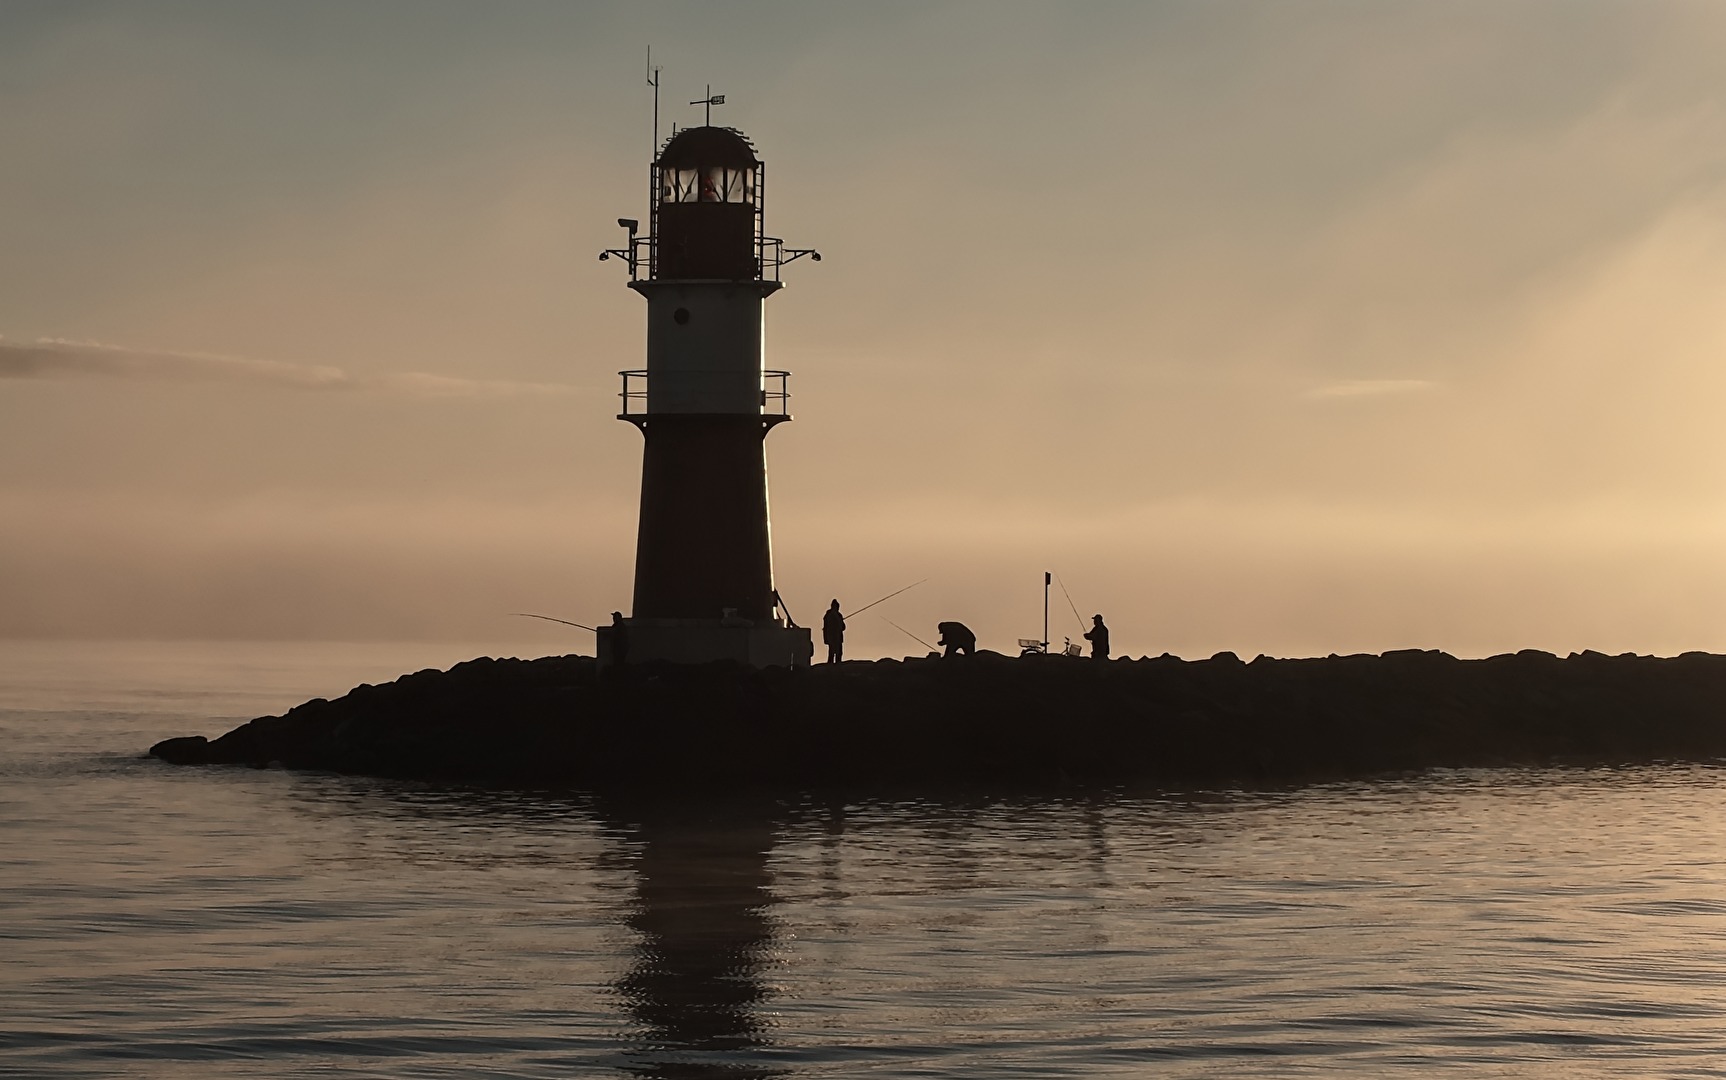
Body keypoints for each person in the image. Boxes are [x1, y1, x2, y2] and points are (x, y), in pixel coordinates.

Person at [822, 599, 846, 663]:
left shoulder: (828, 615)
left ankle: (831, 666)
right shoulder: (838, 615)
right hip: (835, 637)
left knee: (832, 653)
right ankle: (835, 667)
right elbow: (843, 627)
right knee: (836, 654)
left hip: (832, 637)